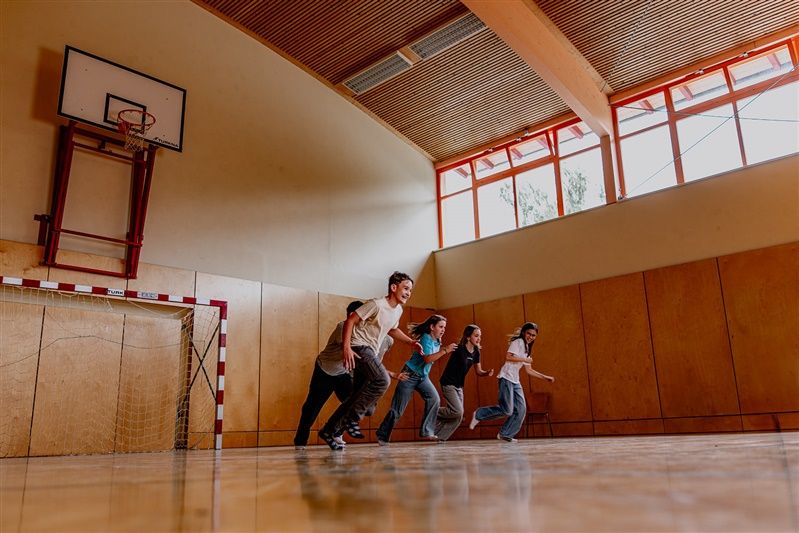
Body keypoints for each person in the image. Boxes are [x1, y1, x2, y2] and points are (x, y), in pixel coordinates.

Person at [318, 272, 422, 450]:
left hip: (370, 350)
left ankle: (329, 430)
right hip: (359, 346)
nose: (408, 292)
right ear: (393, 287)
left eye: (410, 290)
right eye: (405, 288)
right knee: (382, 380)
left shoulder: (398, 310)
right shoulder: (376, 304)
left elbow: (392, 330)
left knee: (356, 395)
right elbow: (351, 320)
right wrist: (346, 348)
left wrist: (411, 342)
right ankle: (352, 420)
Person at [293, 301, 393, 450]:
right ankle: (300, 441)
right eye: (349, 317)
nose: (351, 320)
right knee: (312, 407)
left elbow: (373, 359)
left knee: (359, 404)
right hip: (326, 370)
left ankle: (335, 432)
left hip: (344, 373)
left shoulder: (375, 335)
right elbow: (357, 351)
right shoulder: (343, 328)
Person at [375, 314, 458, 445]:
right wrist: (445, 351)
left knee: (434, 399)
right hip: (409, 375)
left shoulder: (437, 341)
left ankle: (427, 431)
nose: (443, 330)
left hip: (423, 377)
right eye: (440, 327)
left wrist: (443, 349)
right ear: (432, 327)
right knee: (398, 409)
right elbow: (427, 359)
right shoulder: (425, 338)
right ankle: (382, 435)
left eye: (444, 328)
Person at [469, 322, 555, 442]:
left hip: (515, 381)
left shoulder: (527, 348)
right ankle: (479, 414)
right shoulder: (518, 342)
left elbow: (529, 370)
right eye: (529, 334)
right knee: (507, 410)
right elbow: (508, 357)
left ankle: (505, 434)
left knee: (521, 409)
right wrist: (524, 359)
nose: (530, 337)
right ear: (524, 333)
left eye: (533, 335)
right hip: (506, 378)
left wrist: (545, 377)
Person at [435, 324, 494, 442]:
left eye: (480, 336)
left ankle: (440, 438)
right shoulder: (459, 349)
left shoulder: (476, 352)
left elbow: (478, 371)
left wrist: (486, 373)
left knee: (458, 416)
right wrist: (444, 347)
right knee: (458, 411)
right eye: (476, 336)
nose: (479, 339)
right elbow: (441, 351)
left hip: (459, 386)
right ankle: (432, 410)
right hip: (448, 383)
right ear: (468, 337)